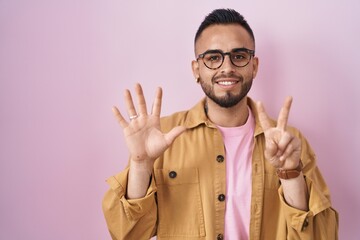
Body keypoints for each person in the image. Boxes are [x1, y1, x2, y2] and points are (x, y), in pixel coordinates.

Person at [102, 8, 338, 240]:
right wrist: (141, 165)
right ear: (196, 69)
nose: (227, 67)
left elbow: (322, 236)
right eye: (213, 57)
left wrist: (290, 175)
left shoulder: (289, 143)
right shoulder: (163, 137)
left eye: (239, 56)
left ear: (254, 66)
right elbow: (127, 234)